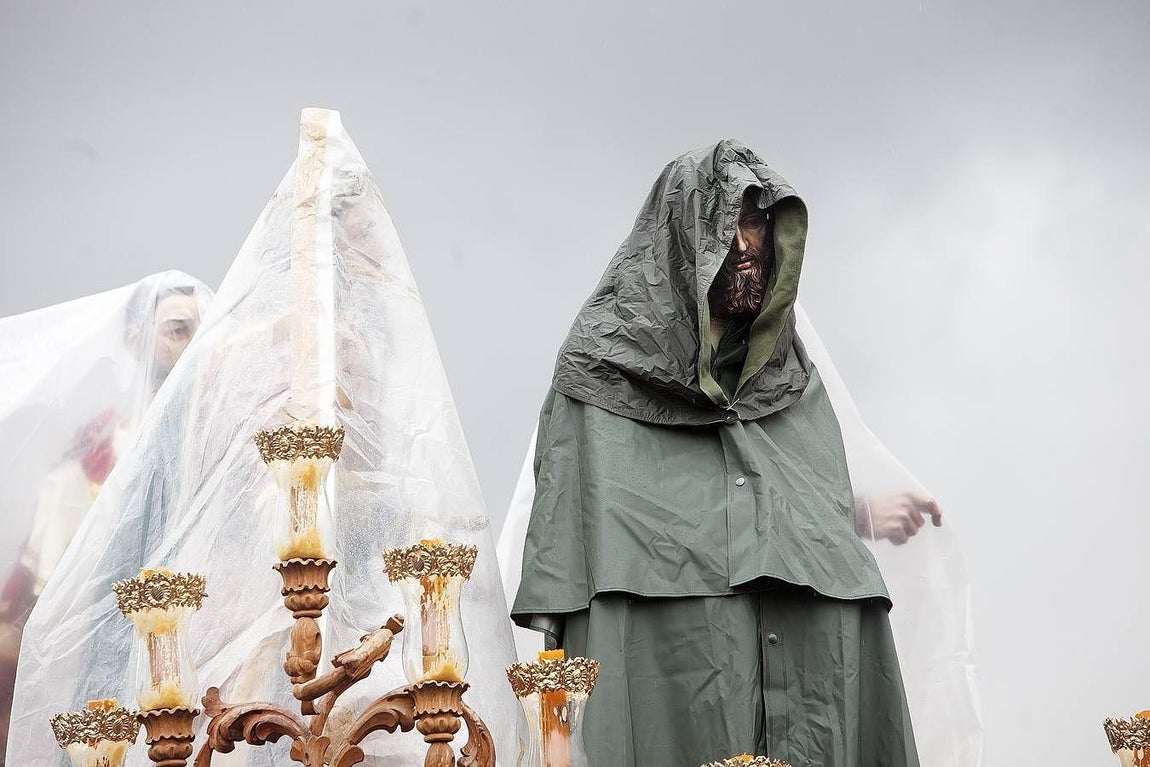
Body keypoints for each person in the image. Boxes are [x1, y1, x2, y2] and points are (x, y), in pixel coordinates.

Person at [4, 110, 519, 767]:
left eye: (364, 232)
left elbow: (393, 458)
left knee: (382, 721)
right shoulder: (254, 350)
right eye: (350, 231)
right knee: (254, 714)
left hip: (367, 563)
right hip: (262, 571)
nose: (363, 248)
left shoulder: (375, 339)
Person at [507, 140, 929, 767]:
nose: (749, 243)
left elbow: (801, 510)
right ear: (682, 238)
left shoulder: (792, 382)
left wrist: (859, 517)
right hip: (666, 686)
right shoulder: (599, 383)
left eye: (759, 220)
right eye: (731, 221)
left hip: (808, 682)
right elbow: (569, 543)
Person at [0, 273, 210, 762]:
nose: (193, 344)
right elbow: (52, 570)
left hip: (207, 628)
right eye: (177, 330)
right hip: (115, 636)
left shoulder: (223, 431)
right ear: (137, 341)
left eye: (201, 329)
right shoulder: (102, 450)